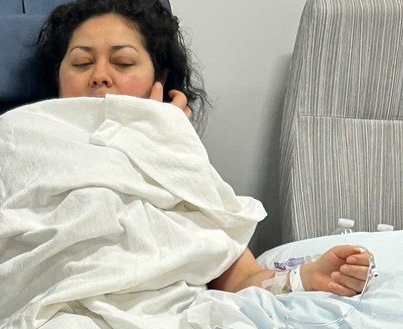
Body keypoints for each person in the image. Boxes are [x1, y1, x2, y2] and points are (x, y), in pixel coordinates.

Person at [32, 0, 371, 297]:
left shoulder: (179, 165)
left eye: (122, 62)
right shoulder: (21, 136)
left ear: (160, 82)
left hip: (167, 328)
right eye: (81, 63)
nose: (99, 76)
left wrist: (306, 278)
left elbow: (242, 281)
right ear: (58, 77)